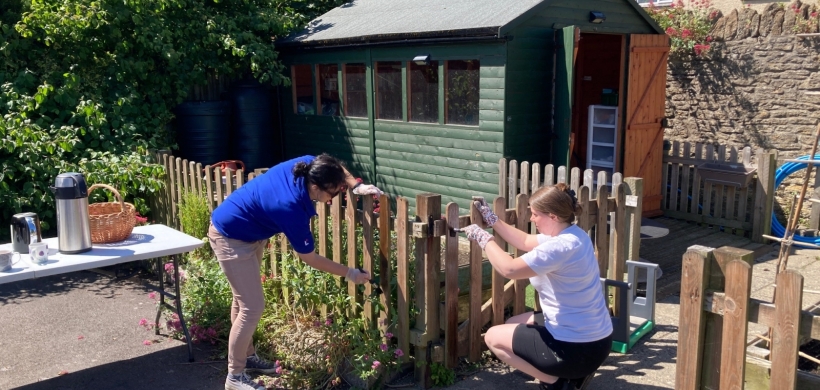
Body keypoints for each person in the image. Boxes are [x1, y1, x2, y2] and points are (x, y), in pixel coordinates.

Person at [208, 154, 383, 390]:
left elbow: (335, 164)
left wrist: (355, 184)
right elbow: (309, 258)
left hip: (250, 232)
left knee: (243, 303)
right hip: (231, 237)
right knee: (252, 307)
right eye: (332, 193)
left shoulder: (309, 164)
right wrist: (350, 273)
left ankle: (247, 358)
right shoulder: (290, 207)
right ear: (314, 187)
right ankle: (234, 377)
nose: (333, 198)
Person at [460, 183, 613, 390]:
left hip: (575, 350)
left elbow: (510, 269)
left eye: (535, 214)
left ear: (553, 216)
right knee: (514, 322)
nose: (531, 219)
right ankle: (572, 373)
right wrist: (493, 220)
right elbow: (524, 240)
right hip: (599, 340)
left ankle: (557, 382)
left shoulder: (558, 247)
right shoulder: (575, 236)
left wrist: (483, 238)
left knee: (493, 337)